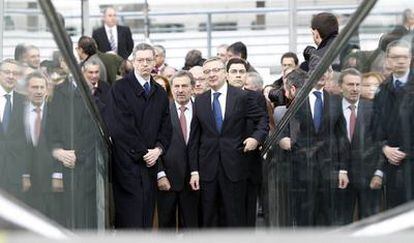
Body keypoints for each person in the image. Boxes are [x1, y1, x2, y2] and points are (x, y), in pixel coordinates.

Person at [189, 57, 268, 227]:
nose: (212, 74)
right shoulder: (200, 100)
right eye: (207, 71)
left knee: (234, 218)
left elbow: (262, 119)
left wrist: (255, 138)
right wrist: (194, 170)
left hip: (235, 167)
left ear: (225, 73)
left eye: (216, 70)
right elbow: (195, 139)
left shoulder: (241, 96)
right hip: (207, 169)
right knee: (208, 218)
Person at [106, 43, 172, 229]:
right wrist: (146, 152)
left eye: (148, 60)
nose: (144, 64)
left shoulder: (159, 92)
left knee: (146, 218)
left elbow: (166, 127)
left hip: (150, 165)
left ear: (154, 63)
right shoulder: (120, 88)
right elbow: (120, 127)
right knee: (130, 219)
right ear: (133, 62)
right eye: (140, 60)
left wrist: (158, 150)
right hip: (127, 165)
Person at [333, 68, 382, 225]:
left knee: (369, 223)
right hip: (340, 178)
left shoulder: (374, 109)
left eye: (357, 84)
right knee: (342, 222)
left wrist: (379, 172)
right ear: (341, 87)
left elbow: (381, 141)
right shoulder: (332, 109)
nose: (355, 89)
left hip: (369, 177)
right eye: (350, 84)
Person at [226, 58, 269, 226]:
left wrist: (256, 138)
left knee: (249, 212)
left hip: (249, 162)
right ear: (227, 75)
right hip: (223, 163)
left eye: (241, 72)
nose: (238, 75)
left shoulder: (256, 97)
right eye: (234, 72)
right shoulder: (218, 96)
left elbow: (263, 122)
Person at [372, 40, 413, 209]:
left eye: (405, 57)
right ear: (388, 60)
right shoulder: (382, 90)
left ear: (410, 58)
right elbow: (376, 128)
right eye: (396, 57)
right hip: (393, 167)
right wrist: (384, 148)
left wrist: (408, 151)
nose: (401, 61)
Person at [157, 71, 199, 229]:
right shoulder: (162, 111)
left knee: (192, 227)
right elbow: (154, 143)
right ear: (171, 88)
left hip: (194, 181)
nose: (180, 90)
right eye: (176, 86)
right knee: (166, 226)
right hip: (168, 179)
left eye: (184, 86)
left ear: (192, 88)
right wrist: (160, 174)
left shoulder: (201, 109)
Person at [23, 72, 64, 224]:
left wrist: (58, 175)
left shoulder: (57, 111)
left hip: (51, 180)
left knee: (51, 222)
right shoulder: (18, 112)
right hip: (26, 183)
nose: (39, 91)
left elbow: (61, 143)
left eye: (42, 87)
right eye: (34, 87)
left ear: (47, 89)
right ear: (27, 89)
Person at [0, 59, 28, 200]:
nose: (11, 76)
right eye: (7, 72)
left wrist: (25, 173)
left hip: (14, 176)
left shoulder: (24, 102)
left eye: (15, 73)